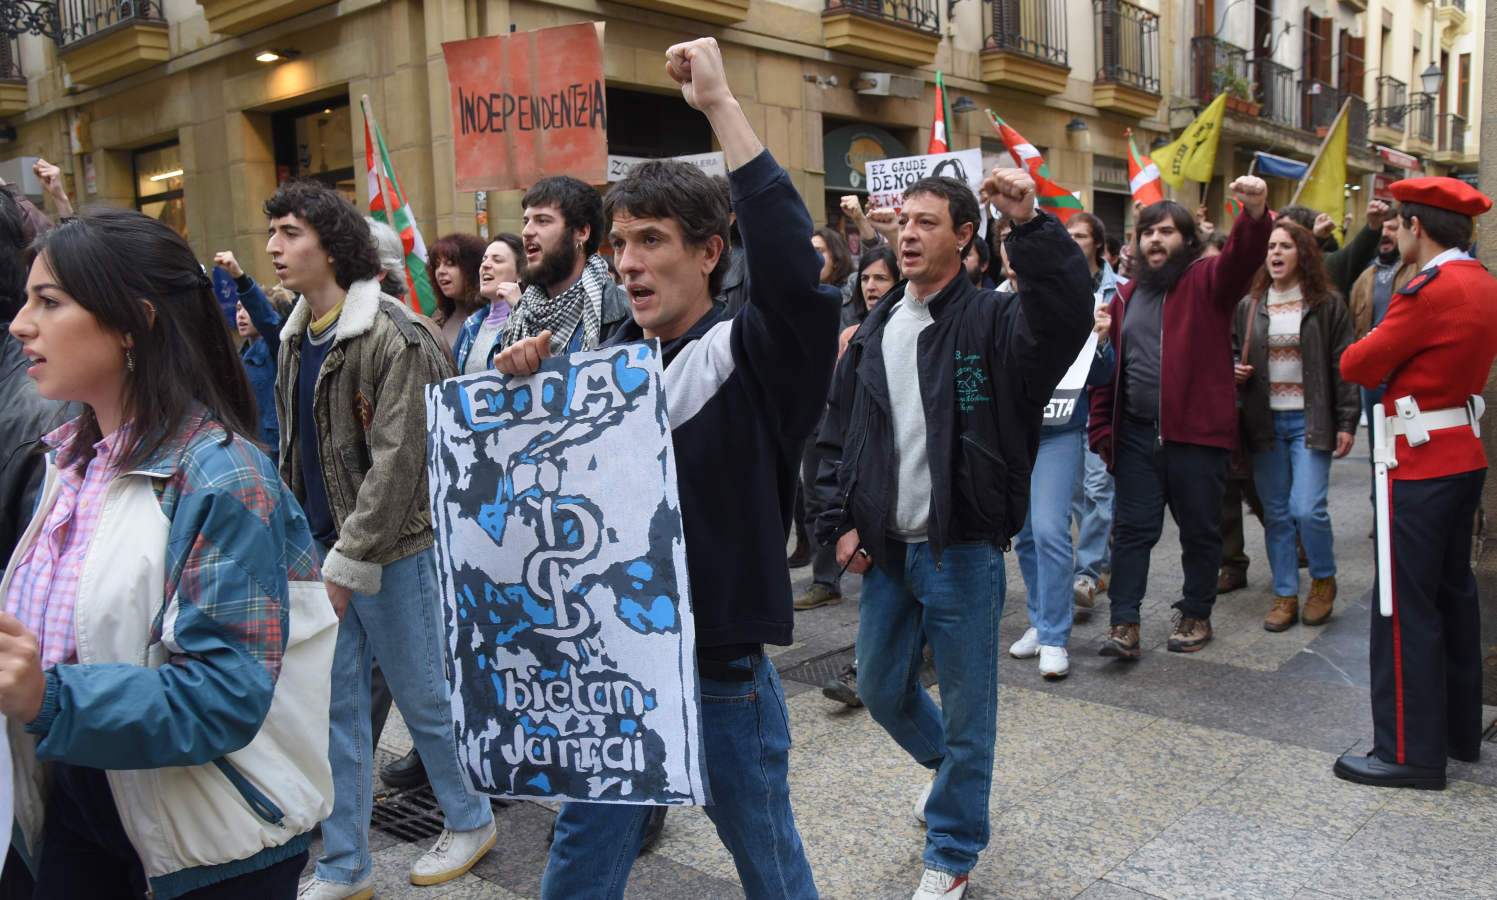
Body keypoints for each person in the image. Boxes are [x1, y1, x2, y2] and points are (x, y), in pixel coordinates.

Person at [500, 36, 835, 899]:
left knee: (769, 864)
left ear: (709, 253)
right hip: (611, 676)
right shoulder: (603, 360)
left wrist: (720, 106)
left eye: (651, 240)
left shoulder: (757, 350)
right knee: (577, 869)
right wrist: (521, 398)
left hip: (722, 681)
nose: (629, 261)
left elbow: (795, 276)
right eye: (618, 243)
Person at [3, 207, 335, 899]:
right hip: (79, 799)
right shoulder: (67, 463)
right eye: (26, 299)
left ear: (132, 323)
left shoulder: (223, 477)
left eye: (49, 302)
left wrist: (46, 694)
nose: (19, 324)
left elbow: (222, 695)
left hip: (209, 839)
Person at [815, 166, 1092, 898]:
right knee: (878, 687)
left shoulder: (994, 322)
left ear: (965, 237)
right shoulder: (873, 329)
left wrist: (1029, 225)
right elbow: (839, 433)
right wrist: (836, 522)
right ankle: (950, 780)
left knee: (971, 716)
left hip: (962, 550)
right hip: (887, 551)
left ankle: (952, 849)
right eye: (902, 220)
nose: (907, 232)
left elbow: (1064, 317)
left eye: (927, 222)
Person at [262, 181, 495, 900]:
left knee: (425, 696)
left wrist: (347, 562)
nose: (274, 245)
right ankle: (343, 864)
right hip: (323, 551)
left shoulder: (396, 333)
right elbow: (296, 450)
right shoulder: (298, 331)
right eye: (272, 230)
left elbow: (401, 467)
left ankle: (470, 817)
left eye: (291, 231)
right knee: (333, 713)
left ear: (331, 245)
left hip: (393, 552)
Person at [1334, 177, 1497, 790]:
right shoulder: (1480, 280)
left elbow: (1358, 363)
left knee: (1403, 606)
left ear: (1417, 226)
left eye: (1398, 223)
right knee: (1453, 596)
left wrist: (1382, 346)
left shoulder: (1427, 287)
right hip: (1460, 452)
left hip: (1419, 460)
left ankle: (1408, 751)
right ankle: (1457, 735)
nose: (1393, 232)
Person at [1089, 178, 1271, 658]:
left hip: (1196, 439)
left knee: (1199, 531)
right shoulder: (1123, 298)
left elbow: (1241, 260)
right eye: (1147, 231)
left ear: (1187, 242)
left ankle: (1196, 612)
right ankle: (1124, 623)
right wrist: (1104, 428)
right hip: (1136, 440)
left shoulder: (1209, 281)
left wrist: (1254, 216)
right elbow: (1110, 374)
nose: (1154, 239)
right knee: (1131, 533)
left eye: (1166, 231)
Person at [1232, 221, 1357, 631]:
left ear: (1302, 252)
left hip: (1311, 420)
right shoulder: (1251, 305)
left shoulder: (1327, 303)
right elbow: (1232, 350)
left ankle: (1323, 580)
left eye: (1285, 245)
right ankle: (1285, 593)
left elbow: (1344, 364)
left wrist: (1347, 421)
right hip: (1264, 422)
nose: (1276, 253)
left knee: (1308, 508)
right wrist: (1234, 369)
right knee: (1277, 513)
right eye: (1271, 246)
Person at [1010, 231, 1114, 679]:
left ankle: (1054, 635)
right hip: (1013, 434)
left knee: (1050, 529)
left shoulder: (1076, 304)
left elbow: (1103, 371)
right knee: (1026, 535)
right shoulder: (995, 302)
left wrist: (1102, 340)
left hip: (1057, 432)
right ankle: (1040, 620)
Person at [819, 243, 900, 710]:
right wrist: (841, 519)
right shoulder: (853, 336)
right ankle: (860, 670)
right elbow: (840, 424)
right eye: (865, 278)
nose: (871, 286)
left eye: (880, 279)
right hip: (868, 486)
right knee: (880, 598)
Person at [502, 175, 630, 357]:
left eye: (543, 221)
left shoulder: (623, 317)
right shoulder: (518, 318)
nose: (527, 231)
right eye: (526, 221)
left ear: (581, 232)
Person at [1066, 212, 1124, 609]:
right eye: (1068, 235)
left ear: (1098, 245)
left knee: (1099, 488)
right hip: (1067, 405)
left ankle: (1087, 573)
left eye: (1081, 236)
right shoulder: (1059, 287)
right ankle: (1100, 561)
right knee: (1074, 494)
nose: (1073, 242)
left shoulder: (1119, 292)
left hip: (1102, 401)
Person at [213, 250, 285, 464]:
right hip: (246, 447)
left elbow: (266, 319)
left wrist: (239, 277)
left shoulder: (276, 346)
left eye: (247, 309)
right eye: (237, 309)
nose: (241, 314)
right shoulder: (237, 356)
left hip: (275, 450)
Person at [1275, 200, 1390, 298]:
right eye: (1278, 228)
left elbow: (1356, 253)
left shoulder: (1328, 265)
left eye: (1290, 231)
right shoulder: (1269, 270)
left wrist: (1373, 226)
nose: (1281, 235)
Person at [452, 232, 524, 374]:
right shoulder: (470, 325)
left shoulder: (532, 317)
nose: (485, 265)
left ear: (519, 274)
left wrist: (520, 309)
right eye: (484, 260)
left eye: (497, 260)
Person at [427, 232, 487, 351]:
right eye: (437, 265)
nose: (441, 271)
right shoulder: (438, 321)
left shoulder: (489, 316)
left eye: (450, 264)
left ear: (471, 270)